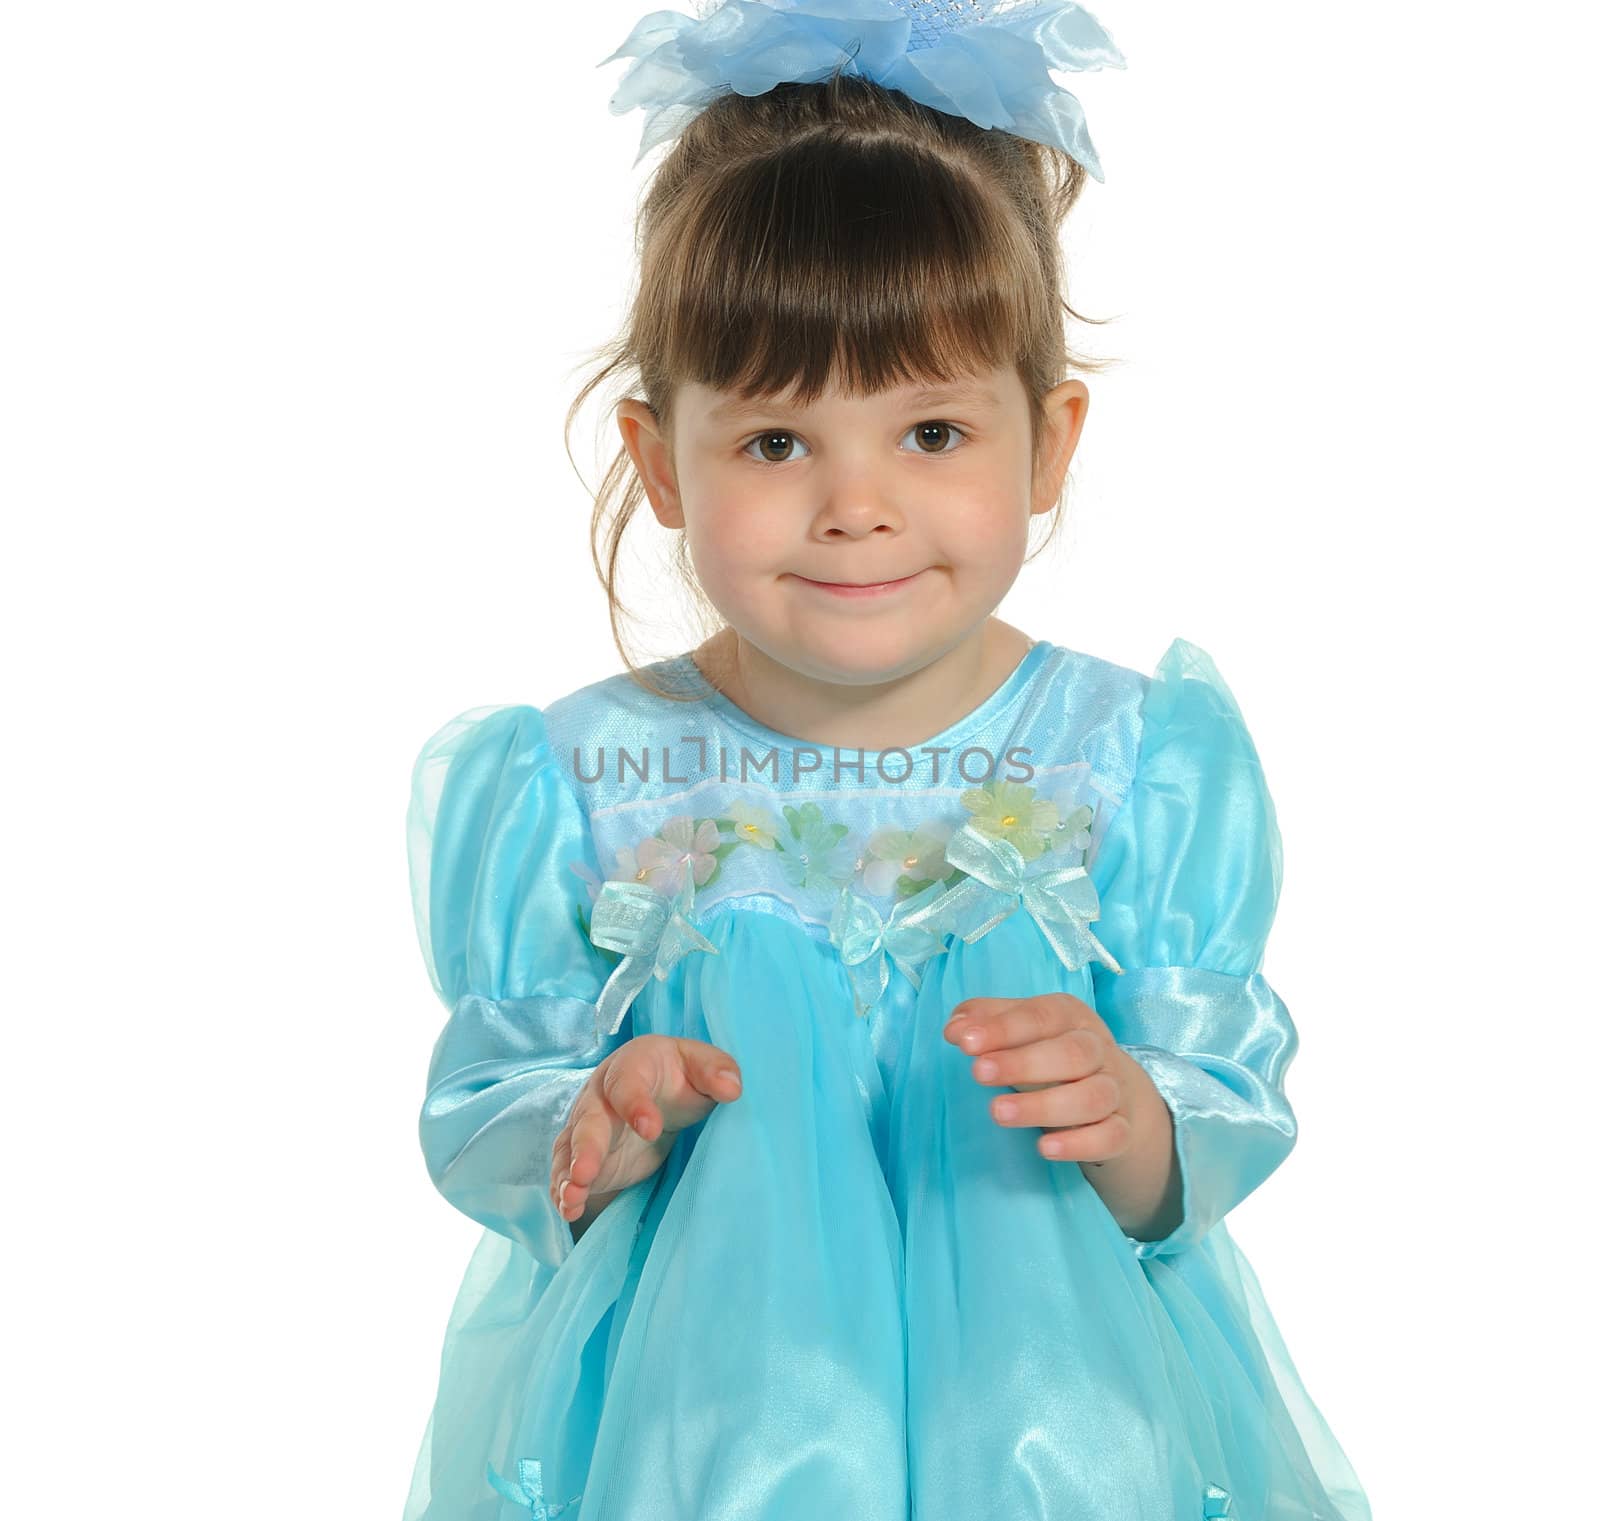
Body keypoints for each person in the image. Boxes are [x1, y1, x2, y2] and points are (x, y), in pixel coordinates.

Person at [402, 3, 1372, 1516]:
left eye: (930, 431)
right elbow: (491, 1100)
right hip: (708, 1430)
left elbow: (1217, 1102)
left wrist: (1134, 1120)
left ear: (1047, 443)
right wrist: (590, 1124)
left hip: (1056, 1423)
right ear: (664, 461)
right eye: (780, 443)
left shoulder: (1130, 765)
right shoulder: (582, 782)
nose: (857, 506)